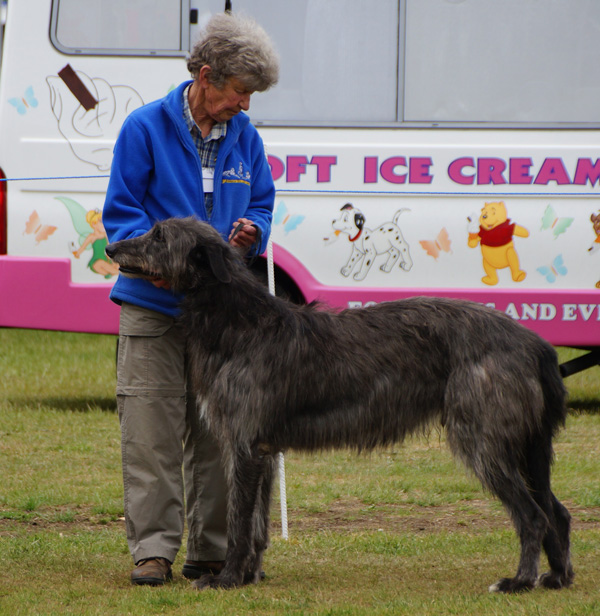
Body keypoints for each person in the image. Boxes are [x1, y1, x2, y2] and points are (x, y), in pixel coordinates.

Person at [102, 12, 279, 586]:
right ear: (206, 76)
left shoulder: (244, 137)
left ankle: (214, 550)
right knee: (150, 431)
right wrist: (160, 265)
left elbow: (262, 201)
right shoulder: (144, 128)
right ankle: (153, 550)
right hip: (152, 306)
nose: (245, 106)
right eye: (240, 92)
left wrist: (254, 227)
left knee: (219, 435)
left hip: (225, 319)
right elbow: (123, 217)